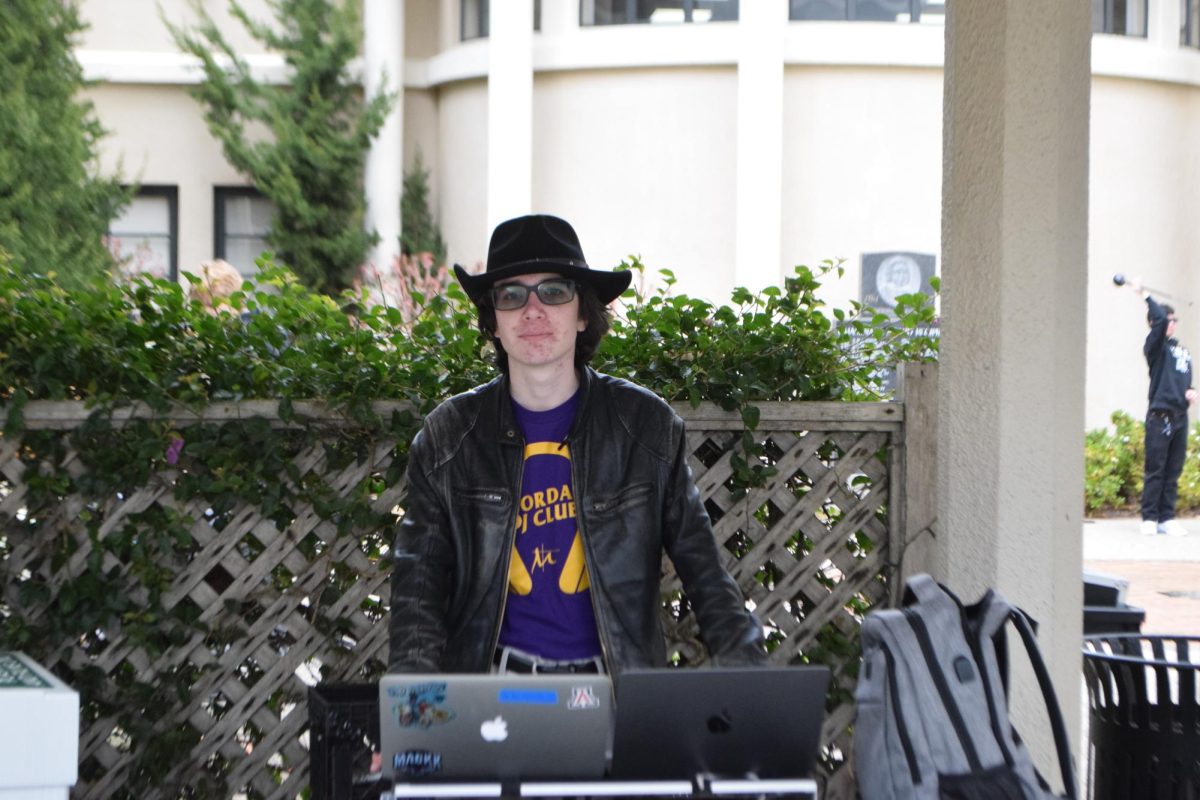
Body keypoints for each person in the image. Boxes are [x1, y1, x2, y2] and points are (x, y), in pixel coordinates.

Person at [387, 214, 767, 675]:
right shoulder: (449, 438)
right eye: (511, 295)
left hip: (618, 695)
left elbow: (706, 575)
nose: (533, 311)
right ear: (493, 322)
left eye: (554, 291)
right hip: (492, 694)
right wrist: (414, 719)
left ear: (583, 312)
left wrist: (751, 694)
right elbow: (417, 596)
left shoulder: (646, 428)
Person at [1130, 278, 1196, 536]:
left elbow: (1183, 378)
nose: (1172, 324)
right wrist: (1144, 293)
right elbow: (1157, 317)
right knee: (1155, 468)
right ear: (1156, 323)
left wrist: (1190, 392)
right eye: (1169, 320)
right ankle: (1149, 516)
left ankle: (1166, 518)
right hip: (1160, 415)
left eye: (1175, 320)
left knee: (1173, 469)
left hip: (1180, 415)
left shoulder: (1181, 350)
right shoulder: (1154, 346)